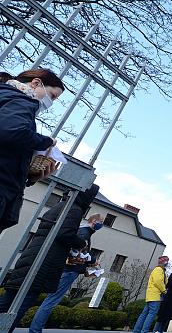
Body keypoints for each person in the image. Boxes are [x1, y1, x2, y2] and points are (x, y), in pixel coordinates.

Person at [0, 184, 97, 332]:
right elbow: (64, 234)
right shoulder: (74, 210)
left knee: (7, 301)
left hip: (31, 257)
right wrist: (81, 243)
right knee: (20, 306)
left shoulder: (58, 206)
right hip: (43, 264)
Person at [0, 69, 63, 233]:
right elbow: (12, 132)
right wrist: (47, 142)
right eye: (53, 96)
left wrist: (30, 176)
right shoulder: (22, 101)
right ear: (35, 83)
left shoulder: (7, 97)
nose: (51, 102)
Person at [29, 213, 104, 333]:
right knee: (51, 301)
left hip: (66, 269)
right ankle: (35, 330)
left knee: (49, 299)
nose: (101, 225)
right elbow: (76, 254)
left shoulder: (81, 231)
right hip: (69, 271)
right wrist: (93, 261)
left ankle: (35, 329)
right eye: (101, 222)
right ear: (94, 221)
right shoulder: (84, 234)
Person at [133, 256, 169, 333]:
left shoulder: (157, 270)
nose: (167, 263)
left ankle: (137, 330)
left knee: (144, 314)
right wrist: (164, 290)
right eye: (167, 261)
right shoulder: (159, 270)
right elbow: (158, 281)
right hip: (155, 296)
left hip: (150, 296)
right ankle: (144, 331)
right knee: (151, 314)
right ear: (164, 262)